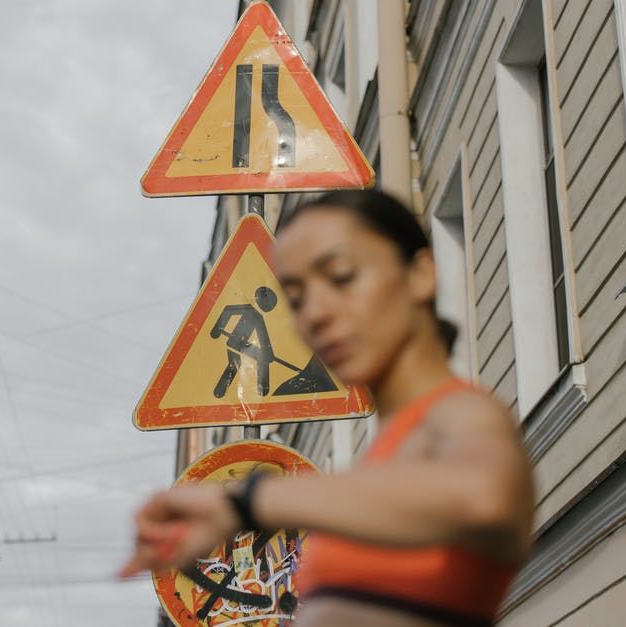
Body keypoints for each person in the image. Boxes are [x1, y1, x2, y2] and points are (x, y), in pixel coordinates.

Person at [120, 189, 535, 627]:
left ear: (421, 274)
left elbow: (485, 497)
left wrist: (246, 503)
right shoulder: (391, 455)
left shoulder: (460, 413)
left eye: (341, 276)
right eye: (295, 299)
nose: (313, 314)